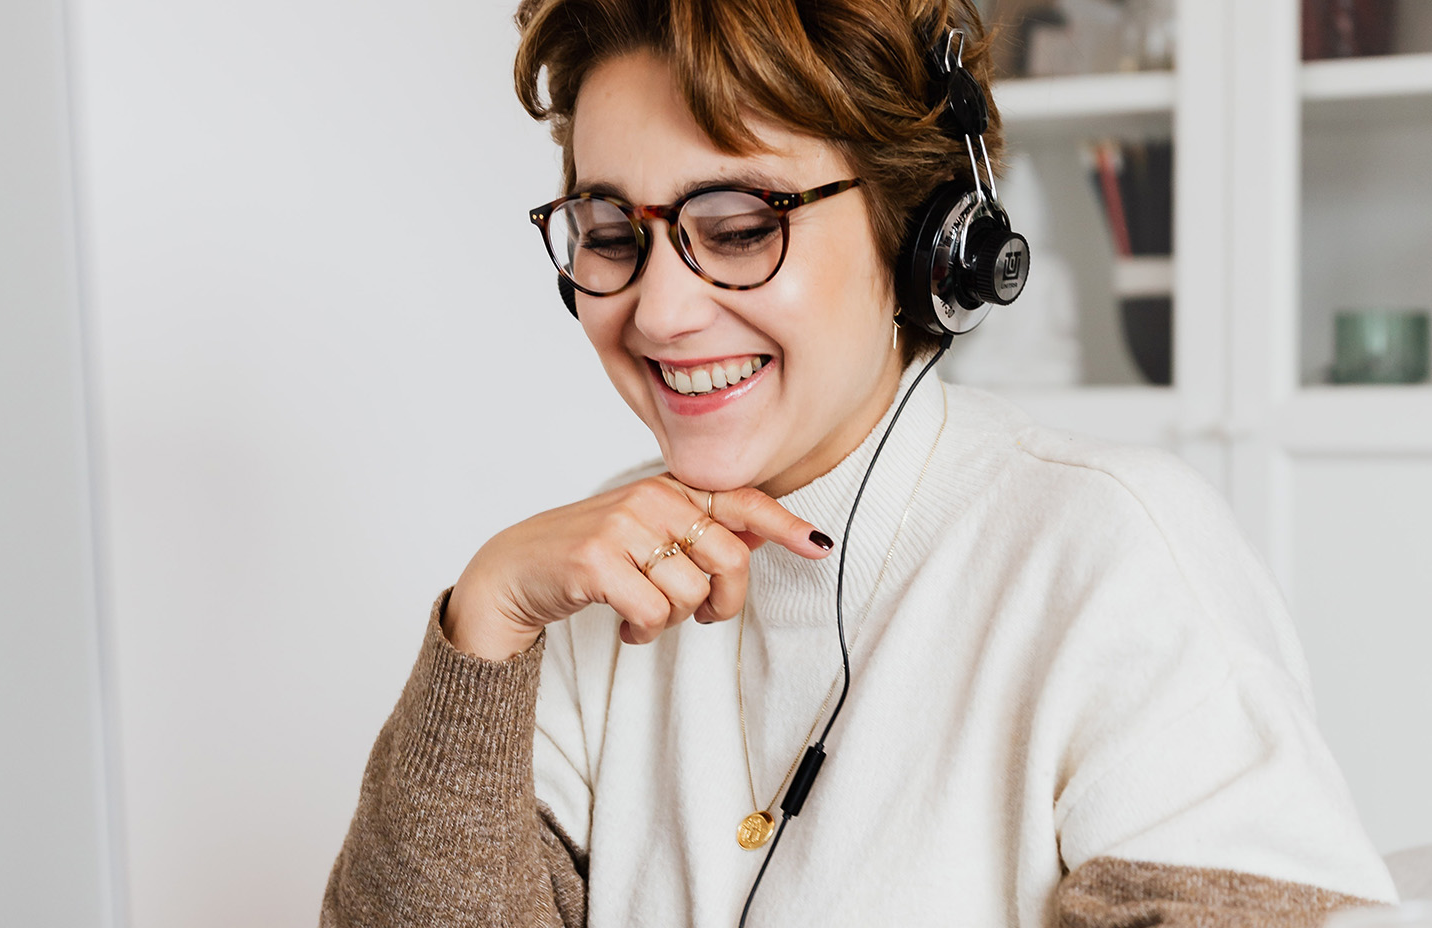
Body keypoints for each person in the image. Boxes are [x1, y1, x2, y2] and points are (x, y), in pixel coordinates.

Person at [320, 1, 1398, 925]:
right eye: (611, 229)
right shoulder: (595, 579)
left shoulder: (1108, 551)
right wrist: (488, 620)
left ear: (923, 236)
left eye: (738, 224)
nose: (657, 307)